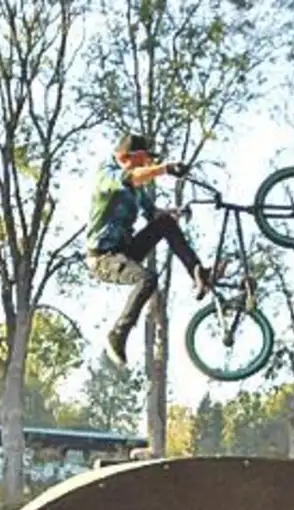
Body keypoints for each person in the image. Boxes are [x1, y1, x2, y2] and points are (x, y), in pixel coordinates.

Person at [87, 133, 226, 367]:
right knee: (148, 279)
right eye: (143, 160)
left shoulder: (137, 188)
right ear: (127, 157)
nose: (146, 165)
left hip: (126, 250)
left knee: (166, 224)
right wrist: (165, 169)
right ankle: (118, 334)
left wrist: (175, 212)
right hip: (103, 259)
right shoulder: (107, 174)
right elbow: (130, 177)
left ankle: (198, 272)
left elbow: (153, 215)